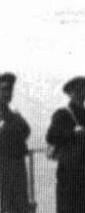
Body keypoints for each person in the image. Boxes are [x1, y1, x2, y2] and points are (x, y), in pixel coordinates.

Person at [46, 76, 85, 213]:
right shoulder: (62, 114)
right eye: (77, 91)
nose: (82, 94)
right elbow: (51, 136)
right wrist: (72, 133)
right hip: (69, 175)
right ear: (70, 94)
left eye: (84, 91)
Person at [0, 73, 31, 213]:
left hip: (17, 170)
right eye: (4, 89)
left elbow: (26, 130)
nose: (7, 93)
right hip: (3, 172)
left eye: (10, 90)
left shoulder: (14, 116)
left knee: (19, 207)